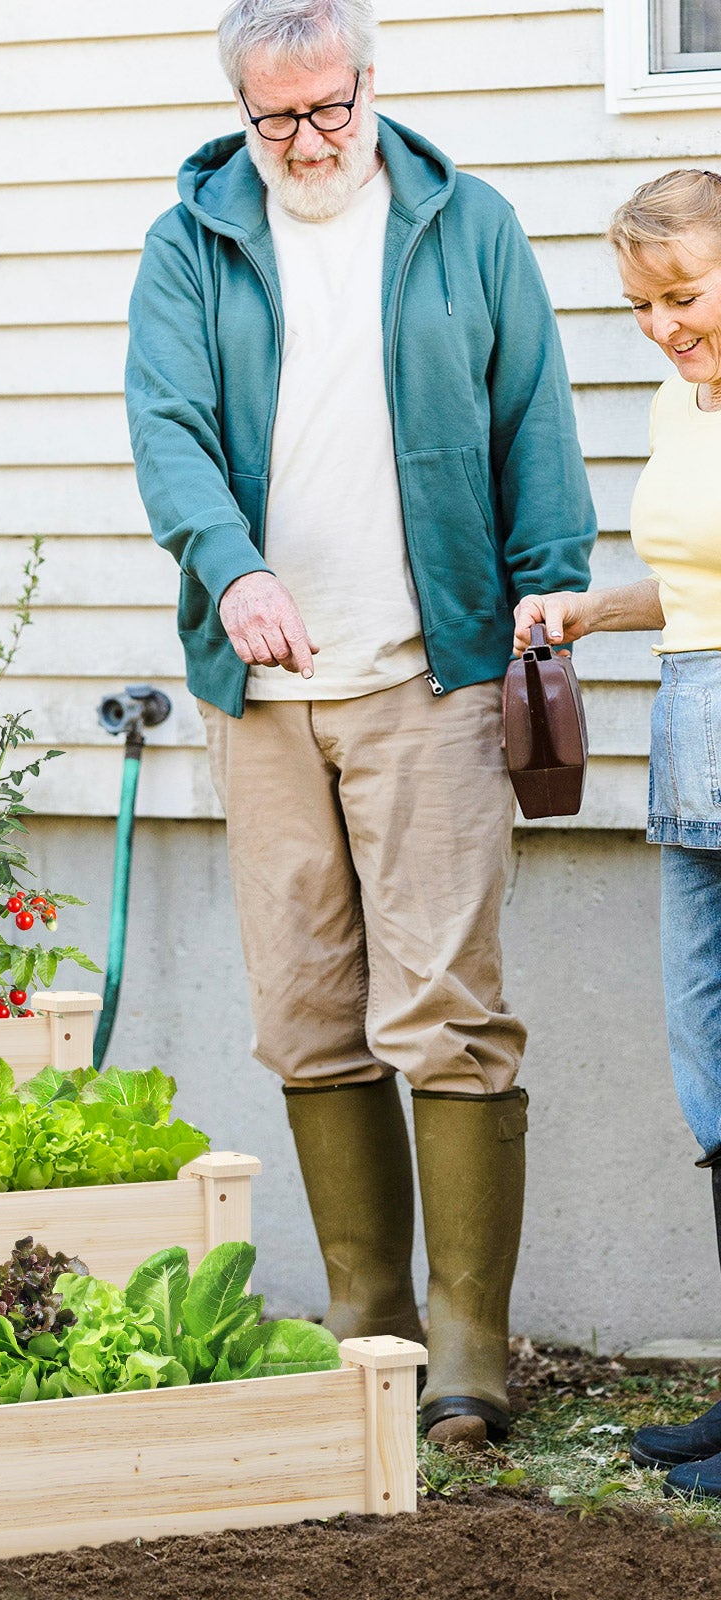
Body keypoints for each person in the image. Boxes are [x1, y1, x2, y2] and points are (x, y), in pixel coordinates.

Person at [124, 0, 598, 1445]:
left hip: (429, 674)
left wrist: (548, 588)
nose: (308, 141)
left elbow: (534, 418)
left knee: (445, 1011)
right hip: (264, 696)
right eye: (276, 118)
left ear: (371, 86)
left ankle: (468, 1349)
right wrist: (234, 569)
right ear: (243, 112)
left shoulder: (469, 226)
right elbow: (167, 429)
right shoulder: (191, 241)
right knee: (306, 1014)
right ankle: (367, 1326)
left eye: (329, 108)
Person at [515, 169, 721, 1497]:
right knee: (710, 1068)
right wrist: (594, 610)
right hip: (694, 741)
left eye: (683, 295)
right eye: (643, 305)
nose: (662, 327)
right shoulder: (677, 402)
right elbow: (699, 580)